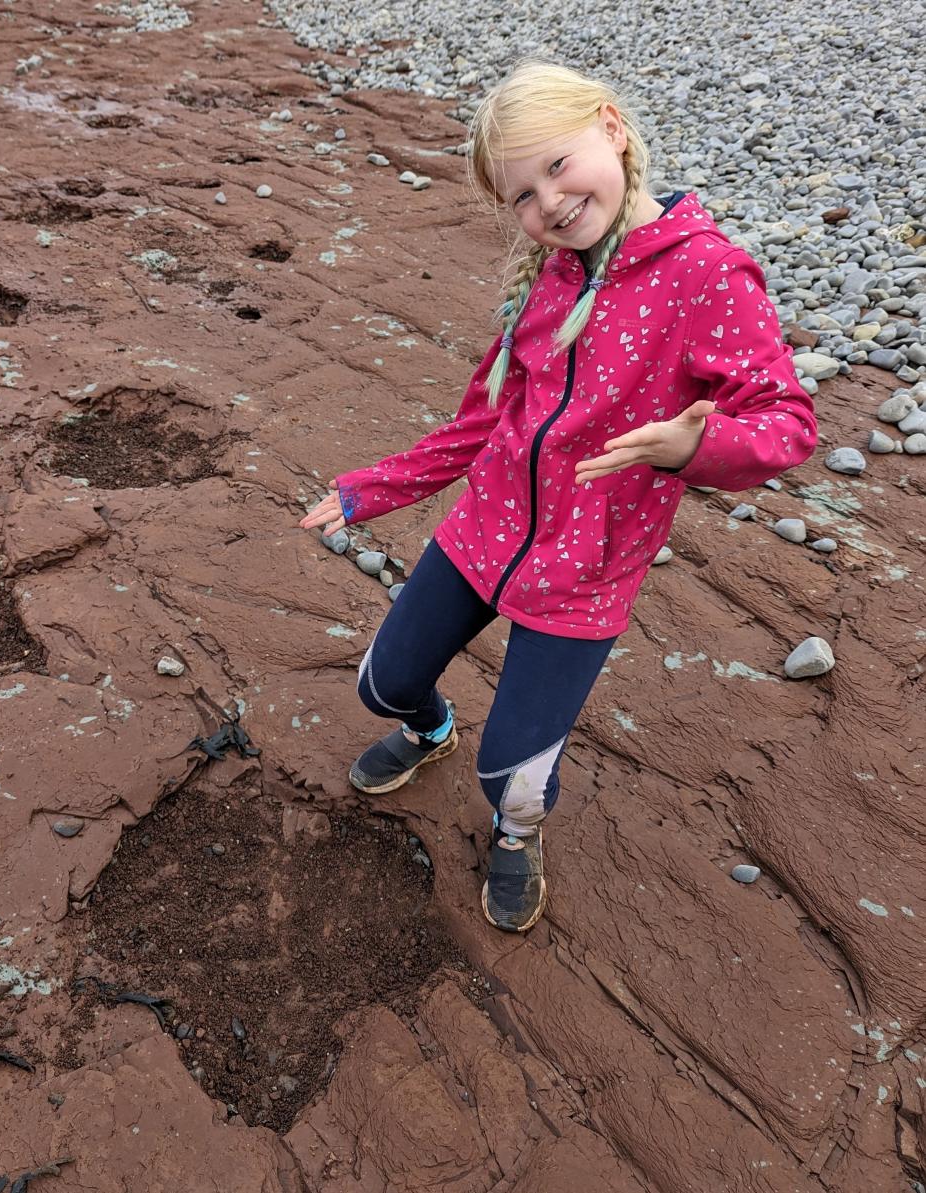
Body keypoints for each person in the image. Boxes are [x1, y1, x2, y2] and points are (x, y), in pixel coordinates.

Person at [297, 59, 817, 933]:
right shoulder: (550, 273)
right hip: (481, 538)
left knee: (516, 779)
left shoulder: (709, 276)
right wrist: (368, 491)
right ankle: (431, 731)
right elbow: (477, 426)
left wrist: (700, 445)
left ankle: (513, 838)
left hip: (585, 572)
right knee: (383, 686)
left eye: (558, 166)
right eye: (523, 195)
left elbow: (788, 423)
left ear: (611, 128)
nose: (550, 202)